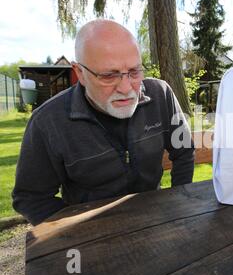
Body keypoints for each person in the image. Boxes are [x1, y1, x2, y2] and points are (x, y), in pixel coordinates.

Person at [12, 19, 195, 225]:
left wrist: (179, 204)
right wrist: (82, 230)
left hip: (154, 223)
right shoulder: (48, 122)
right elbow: (30, 198)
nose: (126, 88)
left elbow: (184, 151)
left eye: (134, 72)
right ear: (80, 73)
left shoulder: (160, 95)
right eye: (109, 75)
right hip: (90, 236)